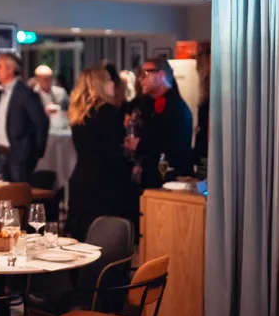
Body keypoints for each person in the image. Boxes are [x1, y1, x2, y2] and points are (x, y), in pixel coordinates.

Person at [66, 68, 134, 241]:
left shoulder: (79, 114)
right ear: (100, 85)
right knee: (103, 239)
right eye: (109, 80)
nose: (113, 84)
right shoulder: (108, 112)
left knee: (81, 237)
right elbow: (111, 152)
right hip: (105, 182)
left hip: (81, 177)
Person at [125, 57, 194, 190]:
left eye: (145, 74)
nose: (140, 79)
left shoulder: (176, 107)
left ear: (161, 75)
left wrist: (139, 144)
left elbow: (170, 145)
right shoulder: (149, 104)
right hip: (151, 180)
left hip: (169, 182)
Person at [0, 53, 49, 183]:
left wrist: (36, 151)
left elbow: (41, 122)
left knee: (19, 197)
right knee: (5, 196)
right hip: (3, 153)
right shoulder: (4, 92)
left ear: (10, 69)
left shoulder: (25, 93)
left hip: (20, 155)